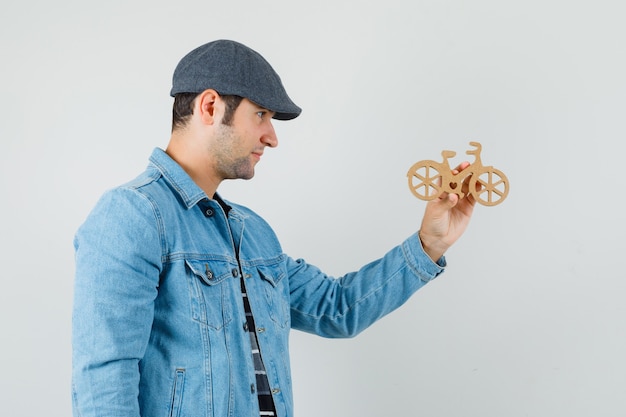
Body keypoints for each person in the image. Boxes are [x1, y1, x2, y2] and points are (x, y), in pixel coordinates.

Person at [72, 39, 477, 417]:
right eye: (261, 114)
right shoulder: (132, 215)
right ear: (210, 107)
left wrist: (430, 243)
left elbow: (337, 309)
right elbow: (104, 378)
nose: (272, 137)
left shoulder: (253, 233)